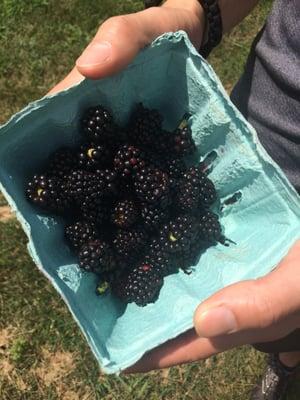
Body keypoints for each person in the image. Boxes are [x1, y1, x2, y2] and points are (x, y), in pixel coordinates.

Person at [50, 1, 300, 398]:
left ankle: (287, 357)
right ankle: (286, 359)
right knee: (273, 323)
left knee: (285, 315)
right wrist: (195, 14)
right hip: (257, 122)